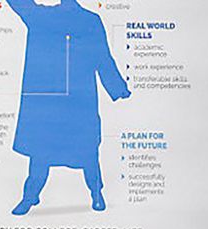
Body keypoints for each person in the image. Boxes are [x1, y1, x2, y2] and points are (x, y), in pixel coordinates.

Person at [7, 0, 131, 215]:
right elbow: (103, 58)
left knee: (81, 150)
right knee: (46, 152)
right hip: (56, 101)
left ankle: (96, 193)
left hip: (76, 100)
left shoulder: (85, 20)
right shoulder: (44, 17)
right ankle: (31, 196)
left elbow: (102, 56)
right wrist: (118, 87)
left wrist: (118, 87)